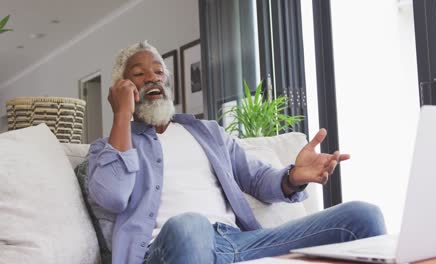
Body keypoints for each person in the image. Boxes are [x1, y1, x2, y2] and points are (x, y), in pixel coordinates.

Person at [87, 41, 386, 264]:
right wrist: (121, 115)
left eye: (158, 72)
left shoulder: (207, 132)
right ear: (122, 87)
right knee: (191, 226)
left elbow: (256, 179)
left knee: (363, 215)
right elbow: (112, 196)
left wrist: (294, 177)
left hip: (239, 242)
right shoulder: (110, 146)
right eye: (139, 74)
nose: (152, 78)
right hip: (172, 246)